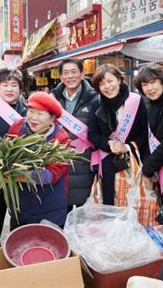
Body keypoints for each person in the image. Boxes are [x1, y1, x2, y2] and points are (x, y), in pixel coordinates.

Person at [7, 91, 70, 230]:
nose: (33, 118)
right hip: (21, 205)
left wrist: (19, 176)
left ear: (52, 118)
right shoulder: (18, 126)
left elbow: (52, 175)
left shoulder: (60, 138)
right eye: (31, 111)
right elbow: (6, 151)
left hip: (49, 207)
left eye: (40, 113)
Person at [88, 64, 148, 205]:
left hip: (131, 163)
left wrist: (126, 147)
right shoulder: (96, 104)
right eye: (101, 84)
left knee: (131, 204)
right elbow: (92, 134)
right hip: (106, 163)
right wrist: (108, 143)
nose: (107, 86)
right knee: (109, 205)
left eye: (110, 81)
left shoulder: (136, 101)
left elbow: (145, 134)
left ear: (120, 80)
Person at [0, 68, 27, 249]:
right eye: (5, 85)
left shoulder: (27, 110)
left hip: (19, 174)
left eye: (14, 85)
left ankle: (14, 249)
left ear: (20, 89)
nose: (10, 89)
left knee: (18, 214)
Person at [52, 58, 98, 212]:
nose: (70, 76)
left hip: (84, 163)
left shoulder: (95, 99)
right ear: (60, 77)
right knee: (60, 216)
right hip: (58, 164)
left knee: (81, 218)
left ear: (82, 74)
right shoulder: (53, 100)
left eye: (74, 72)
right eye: (66, 73)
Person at [133, 63, 163, 195]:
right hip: (156, 167)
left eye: (153, 82)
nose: (149, 88)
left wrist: (147, 169)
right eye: (144, 85)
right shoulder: (151, 104)